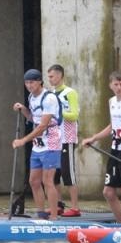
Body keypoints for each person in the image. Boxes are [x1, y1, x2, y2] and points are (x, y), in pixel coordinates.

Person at [82, 72, 121, 224]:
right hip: (115, 149)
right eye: (116, 84)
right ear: (110, 86)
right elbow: (112, 126)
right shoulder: (111, 101)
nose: (119, 87)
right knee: (108, 192)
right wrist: (93, 138)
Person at [11, 69, 62, 219]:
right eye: (26, 82)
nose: (29, 85)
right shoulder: (32, 97)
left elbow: (42, 126)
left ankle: (53, 216)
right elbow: (34, 119)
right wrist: (23, 109)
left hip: (51, 142)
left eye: (32, 82)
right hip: (38, 144)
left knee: (48, 181)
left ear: (40, 81)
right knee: (34, 181)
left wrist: (23, 140)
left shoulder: (49, 98)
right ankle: (41, 214)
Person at [46, 64, 81, 216]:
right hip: (55, 140)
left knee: (68, 174)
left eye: (52, 76)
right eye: (49, 77)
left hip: (68, 138)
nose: (50, 79)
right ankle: (58, 205)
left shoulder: (70, 93)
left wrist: (58, 112)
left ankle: (75, 207)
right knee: (55, 175)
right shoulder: (51, 94)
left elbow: (74, 115)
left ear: (60, 76)